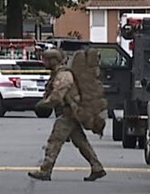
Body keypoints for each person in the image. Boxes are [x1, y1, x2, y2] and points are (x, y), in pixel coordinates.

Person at [27, 49, 107, 182]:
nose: (43, 62)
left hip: (68, 114)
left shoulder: (63, 75)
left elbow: (57, 96)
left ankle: (45, 170)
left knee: (54, 141)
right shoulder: (60, 73)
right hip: (72, 113)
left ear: (52, 60)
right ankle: (97, 167)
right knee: (81, 142)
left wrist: (43, 104)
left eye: (45, 60)